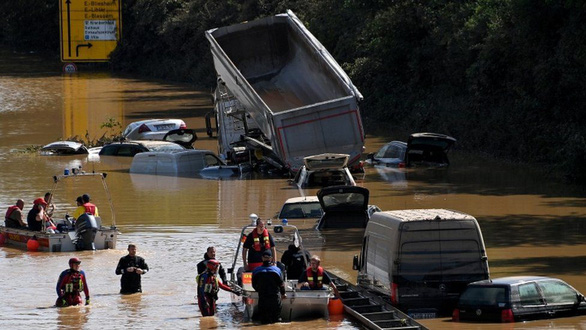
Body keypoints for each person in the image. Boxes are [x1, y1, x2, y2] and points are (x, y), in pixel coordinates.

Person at [252, 250, 286, 324]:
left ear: (262, 258)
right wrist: (283, 293)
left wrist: (259, 290)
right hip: (274, 298)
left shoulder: (256, 271)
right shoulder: (277, 270)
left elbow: (254, 285)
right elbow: (281, 284)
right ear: (271, 258)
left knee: (264, 321)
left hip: (263, 298)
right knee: (276, 320)